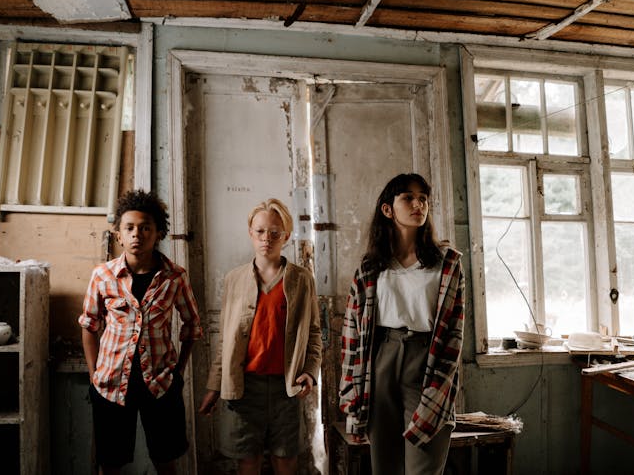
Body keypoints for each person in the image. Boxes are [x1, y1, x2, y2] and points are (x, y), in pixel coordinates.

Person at [339, 173, 465, 475]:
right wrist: (351, 404)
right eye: (408, 197)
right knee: (385, 465)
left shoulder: (446, 264)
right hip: (379, 359)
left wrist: (440, 386)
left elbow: (454, 333)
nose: (418, 204)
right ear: (388, 209)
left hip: (426, 361)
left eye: (423, 198)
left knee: (423, 465)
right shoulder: (370, 268)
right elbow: (351, 336)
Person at [79, 189, 203, 475]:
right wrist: (94, 374)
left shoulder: (175, 277)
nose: (137, 234)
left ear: (158, 233)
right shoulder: (103, 276)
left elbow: (193, 326)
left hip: (160, 384)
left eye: (146, 227)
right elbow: (89, 325)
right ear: (119, 235)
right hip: (110, 385)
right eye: (130, 228)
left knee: (166, 460)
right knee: (110, 463)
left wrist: (178, 374)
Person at [199, 198, 322, 475]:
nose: (267, 238)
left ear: (286, 236)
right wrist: (214, 386)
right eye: (261, 231)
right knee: (248, 461)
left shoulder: (302, 280)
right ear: (250, 233)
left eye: (275, 232)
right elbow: (226, 342)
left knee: (285, 460)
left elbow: (314, 333)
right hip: (244, 388)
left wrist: (311, 373)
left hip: (285, 388)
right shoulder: (234, 279)